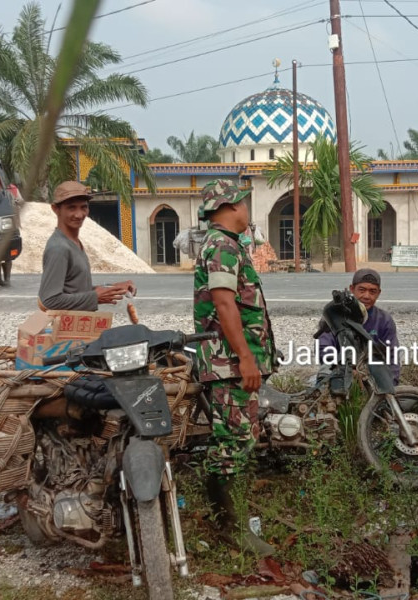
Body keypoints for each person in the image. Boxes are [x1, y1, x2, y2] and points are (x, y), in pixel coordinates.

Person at [193, 179, 276, 556]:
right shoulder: (222, 246)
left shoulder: (227, 245)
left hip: (234, 363)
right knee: (235, 442)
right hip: (228, 364)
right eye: (244, 201)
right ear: (230, 205)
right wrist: (245, 357)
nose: (248, 207)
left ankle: (229, 518)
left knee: (241, 439)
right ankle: (229, 527)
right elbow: (225, 305)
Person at [37, 181, 135, 310]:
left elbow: (75, 290)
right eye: (71, 208)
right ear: (56, 209)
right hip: (67, 328)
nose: (79, 215)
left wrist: (113, 288)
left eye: (83, 207)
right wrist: (95, 297)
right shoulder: (59, 248)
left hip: (81, 325)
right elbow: (49, 300)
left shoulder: (74, 243)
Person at [317, 268, 400, 384]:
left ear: (378, 293)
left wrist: (392, 385)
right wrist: (345, 368)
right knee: (325, 373)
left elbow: (393, 356)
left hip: (372, 376)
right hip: (341, 371)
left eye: (372, 291)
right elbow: (324, 349)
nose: (366, 296)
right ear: (352, 289)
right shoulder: (335, 316)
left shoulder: (384, 320)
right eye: (362, 290)